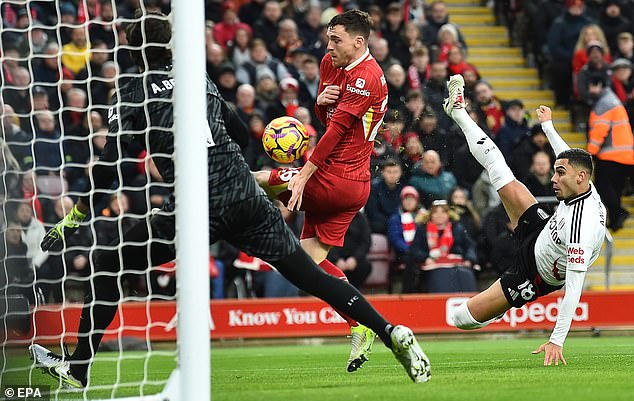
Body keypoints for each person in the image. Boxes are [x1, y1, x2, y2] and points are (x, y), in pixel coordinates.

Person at [29, 10, 431, 389]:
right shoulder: (197, 79)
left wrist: (76, 216)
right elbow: (239, 134)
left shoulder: (132, 90)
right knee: (311, 277)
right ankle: (390, 330)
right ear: (172, 46)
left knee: (107, 263)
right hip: (246, 197)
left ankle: (79, 366)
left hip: (199, 205)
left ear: (131, 53)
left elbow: (109, 166)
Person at [252, 10, 396, 373]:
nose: (329, 45)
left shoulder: (368, 77)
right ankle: (359, 323)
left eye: (337, 40)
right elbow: (326, 118)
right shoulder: (330, 63)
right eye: (329, 38)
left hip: (338, 179)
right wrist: (320, 101)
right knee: (304, 262)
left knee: (249, 179)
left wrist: (302, 177)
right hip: (347, 185)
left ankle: (211, 183)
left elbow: (334, 134)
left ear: (359, 43)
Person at [444, 74, 606, 366]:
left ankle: (496, 310)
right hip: (541, 230)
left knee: (460, 318)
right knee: (497, 165)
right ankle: (458, 112)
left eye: (559, 174)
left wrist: (556, 339)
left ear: (579, 178)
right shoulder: (582, 183)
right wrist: (548, 126)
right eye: (555, 171)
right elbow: (566, 156)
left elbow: (574, 287)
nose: (553, 179)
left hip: (535, 273)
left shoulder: (585, 224)